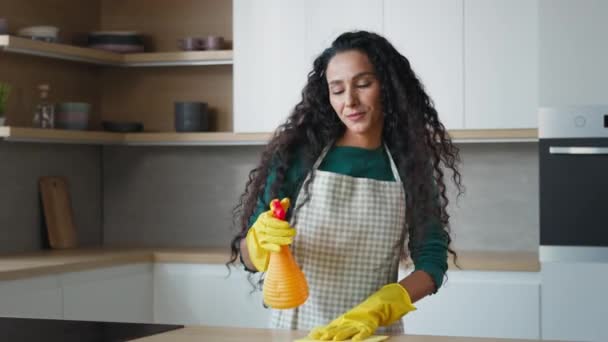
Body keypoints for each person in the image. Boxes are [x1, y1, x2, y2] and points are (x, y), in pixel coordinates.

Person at [228, 30, 463, 341]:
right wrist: (257, 245)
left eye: (363, 84)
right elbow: (248, 258)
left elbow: (432, 262)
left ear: (388, 87)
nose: (349, 100)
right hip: (298, 334)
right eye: (337, 90)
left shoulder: (410, 168)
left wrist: (380, 308)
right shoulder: (297, 157)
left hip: (373, 334)